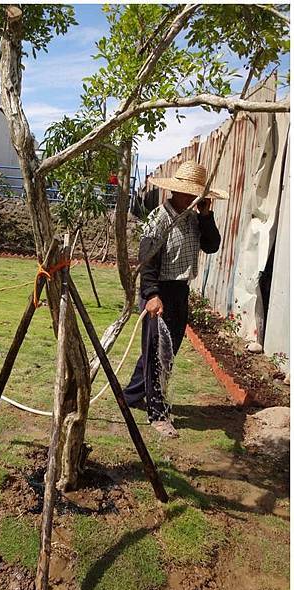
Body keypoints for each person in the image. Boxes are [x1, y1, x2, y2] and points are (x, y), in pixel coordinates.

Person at [123, 160, 227, 438]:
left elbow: (212, 245)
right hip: (160, 293)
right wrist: (151, 295)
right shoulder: (160, 219)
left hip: (180, 292)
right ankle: (158, 415)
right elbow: (147, 260)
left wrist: (206, 216)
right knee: (159, 356)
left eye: (198, 194)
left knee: (161, 352)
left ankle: (132, 395)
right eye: (190, 193)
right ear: (177, 191)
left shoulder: (193, 217)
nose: (194, 198)